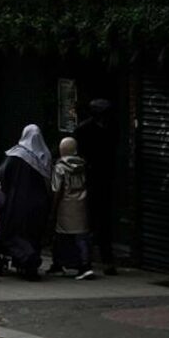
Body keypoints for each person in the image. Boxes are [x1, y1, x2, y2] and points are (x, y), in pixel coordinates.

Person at [0, 124, 52, 281]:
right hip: (39, 204)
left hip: (17, 203)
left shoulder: (16, 155)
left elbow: (2, 175)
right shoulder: (45, 155)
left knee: (16, 233)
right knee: (34, 235)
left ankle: (26, 259)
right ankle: (31, 263)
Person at [74, 98, 117, 275]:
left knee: (103, 220)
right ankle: (87, 260)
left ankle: (105, 258)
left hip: (104, 179)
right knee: (90, 220)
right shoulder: (84, 130)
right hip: (90, 179)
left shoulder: (111, 128)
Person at [49, 137, 95, 280]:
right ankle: (85, 265)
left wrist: (53, 209)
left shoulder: (60, 167)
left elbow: (57, 190)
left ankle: (59, 263)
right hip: (81, 205)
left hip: (65, 207)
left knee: (60, 237)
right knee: (81, 237)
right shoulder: (83, 165)